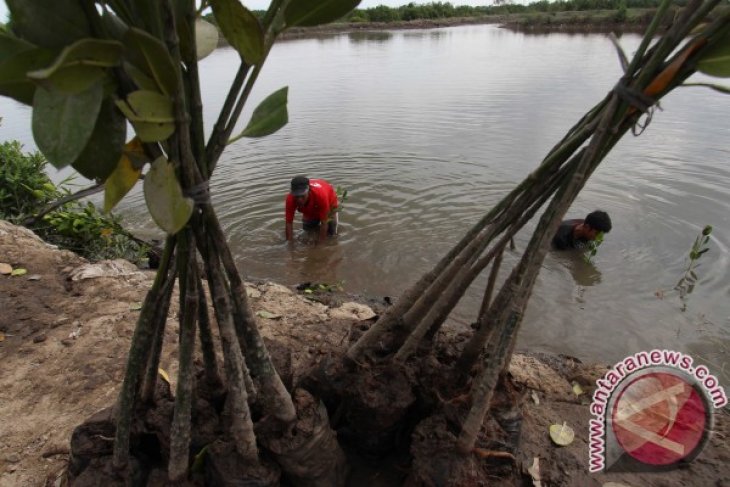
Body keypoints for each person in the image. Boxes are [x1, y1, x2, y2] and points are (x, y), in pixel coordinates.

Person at [285, 176, 339, 242]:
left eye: (302, 196)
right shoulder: (290, 199)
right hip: (310, 208)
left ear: (309, 190)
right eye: (297, 196)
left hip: (330, 204)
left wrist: (321, 246)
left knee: (332, 233)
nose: (299, 200)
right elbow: (289, 223)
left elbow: (324, 223)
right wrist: (289, 244)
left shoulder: (321, 195)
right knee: (308, 232)